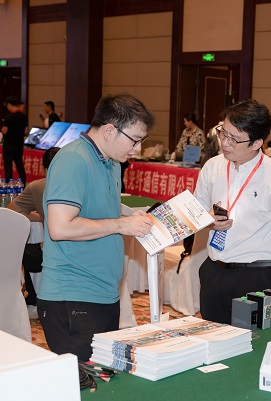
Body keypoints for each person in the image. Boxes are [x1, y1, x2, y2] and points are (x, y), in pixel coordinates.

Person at [37, 93, 155, 361]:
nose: (138, 149)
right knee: (81, 379)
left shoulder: (110, 162)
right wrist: (121, 224)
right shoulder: (73, 160)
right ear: (110, 130)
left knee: (103, 376)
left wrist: (128, 214)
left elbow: (97, 209)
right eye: (135, 140)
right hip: (73, 296)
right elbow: (60, 228)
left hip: (104, 293)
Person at [193, 99, 271, 324]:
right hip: (213, 270)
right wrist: (208, 220)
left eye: (235, 139)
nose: (225, 142)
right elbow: (196, 212)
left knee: (251, 340)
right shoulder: (212, 167)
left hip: (254, 277)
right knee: (213, 336)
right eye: (223, 133)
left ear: (256, 143)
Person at [8, 147, 60, 318]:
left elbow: (12, 211)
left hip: (51, 252)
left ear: (44, 168)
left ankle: (31, 300)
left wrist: (39, 216)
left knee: (17, 250)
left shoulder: (38, 186)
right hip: (83, 250)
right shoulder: (80, 184)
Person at [1, 96, 28, 183]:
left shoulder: (9, 117)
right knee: (19, 165)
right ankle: (23, 183)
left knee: (8, 166)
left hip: (9, 145)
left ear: (9, 105)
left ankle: (9, 184)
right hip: (19, 145)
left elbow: (4, 131)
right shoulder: (24, 117)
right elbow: (25, 130)